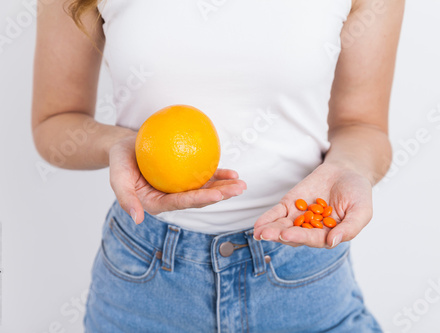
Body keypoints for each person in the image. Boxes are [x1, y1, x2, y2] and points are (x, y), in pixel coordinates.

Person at [32, 0, 404, 331]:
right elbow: (55, 121)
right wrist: (122, 146)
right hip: (144, 283)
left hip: (304, 272)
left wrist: (349, 167)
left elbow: (363, 126)